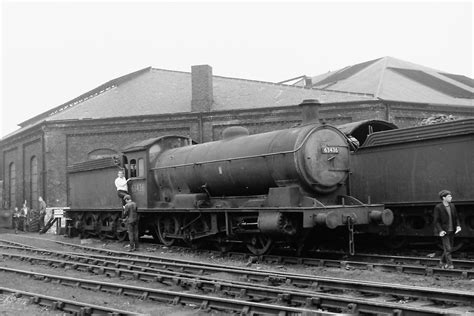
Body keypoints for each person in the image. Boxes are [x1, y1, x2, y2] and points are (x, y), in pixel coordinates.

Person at [433, 190, 462, 269]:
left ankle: (442, 261)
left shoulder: (452, 206)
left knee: (449, 248)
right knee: (448, 249)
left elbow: (456, 218)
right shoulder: (438, 207)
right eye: (449, 196)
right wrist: (440, 230)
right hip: (444, 231)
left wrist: (458, 226)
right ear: (444, 198)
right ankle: (450, 264)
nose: (451, 197)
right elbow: (436, 221)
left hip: (452, 230)